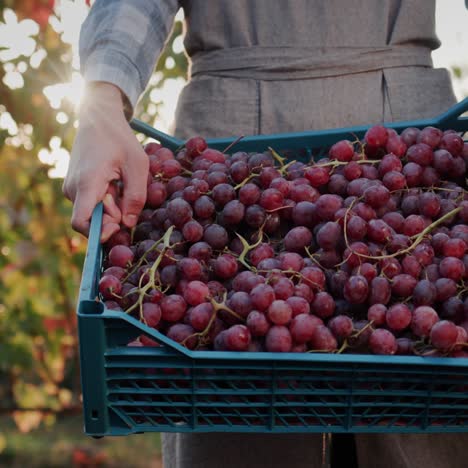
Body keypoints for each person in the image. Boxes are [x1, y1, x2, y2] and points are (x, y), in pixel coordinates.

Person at [63, 1, 467, 467]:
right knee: (232, 408)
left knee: (426, 421)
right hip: (227, 155)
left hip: (415, 145)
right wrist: (102, 100)